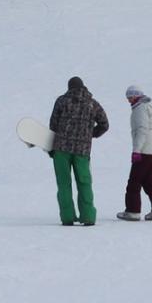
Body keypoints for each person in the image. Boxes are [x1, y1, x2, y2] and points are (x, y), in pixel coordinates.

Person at [48, 76, 109, 226]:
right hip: (82, 150)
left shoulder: (62, 101)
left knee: (64, 183)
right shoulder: (92, 104)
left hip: (61, 149)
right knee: (84, 183)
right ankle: (88, 216)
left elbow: (53, 124)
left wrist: (52, 147)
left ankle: (67, 217)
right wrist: (90, 134)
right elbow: (105, 124)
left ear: (69, 87)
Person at [115, 85, 152, 221]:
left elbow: (142, 129)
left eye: (130, 97)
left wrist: (136, 150)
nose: (128, 100)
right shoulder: (149, 107)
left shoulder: (140, 108)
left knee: (134, 182)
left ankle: (132, 211)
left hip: (145, 150)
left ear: (136, 95)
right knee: (148, 181)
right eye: (127, 98)